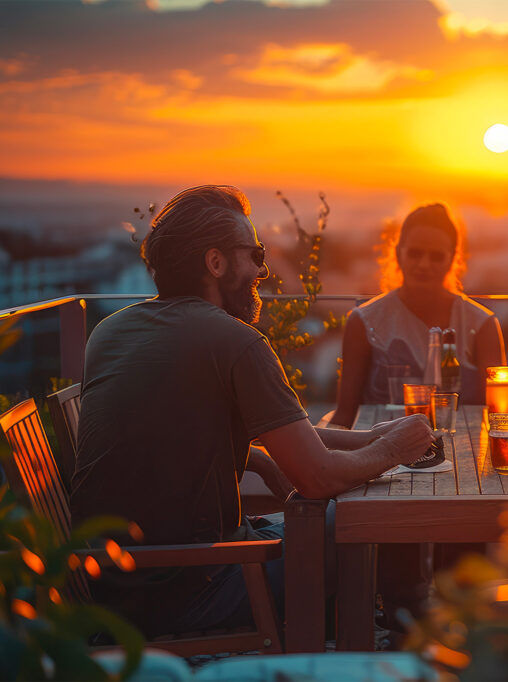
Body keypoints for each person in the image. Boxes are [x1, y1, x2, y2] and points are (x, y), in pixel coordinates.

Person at [70, 185, 435, 637]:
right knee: (374, 520)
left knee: (337, 513)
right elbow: (317, 477)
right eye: (255, 254)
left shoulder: (111, 331)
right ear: (216, 263)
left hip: (116, 589)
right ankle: (403, 646)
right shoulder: (236, 342)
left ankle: (363, 636)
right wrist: (395, 449)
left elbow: (168, 438)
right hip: (192, 590)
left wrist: (373, 438)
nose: (263, 270)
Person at [330, 202, 505, 428]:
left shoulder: (482, 326)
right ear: (397, 253)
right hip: (380, 456)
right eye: (415, 253)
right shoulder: (364, 322)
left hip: (464, 456)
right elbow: (345, 415)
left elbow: (499, 418)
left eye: (436, 257)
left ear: (452, 259)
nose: (424, 264)